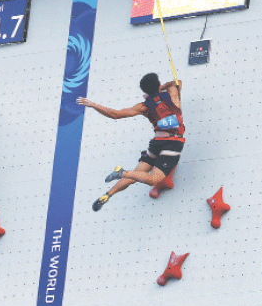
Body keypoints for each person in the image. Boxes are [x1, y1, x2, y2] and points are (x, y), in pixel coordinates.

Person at [77, 73, 183, 211]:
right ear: (158, 84)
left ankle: (109, 193)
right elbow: (177, 82)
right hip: (172, 142)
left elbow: (115, 114)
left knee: (137, 174)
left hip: (157, 142)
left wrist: (94, 105)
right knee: (153, 179)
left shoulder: (144, 106)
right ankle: (122, 173)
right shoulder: (172, 93)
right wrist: (159, 89)